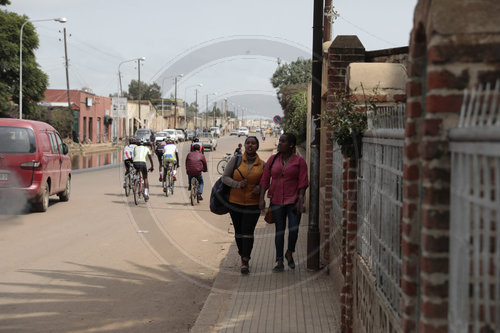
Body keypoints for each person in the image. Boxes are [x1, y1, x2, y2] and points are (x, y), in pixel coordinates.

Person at [259, 133, 308, 272]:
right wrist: (261, 198)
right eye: (279, 141)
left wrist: (300, 199)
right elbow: (265, 179)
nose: (279, 143)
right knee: (279, 231)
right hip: (276, 201)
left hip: (293, 201)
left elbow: (303, 182)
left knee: (294, 229)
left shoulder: (299, 161)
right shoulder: (273, 160)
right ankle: (279, 260)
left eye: (283, 141)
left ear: (291, 145)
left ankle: (289, 252)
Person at [222, 136, 264, 274]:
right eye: (248, 143)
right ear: (245, 146)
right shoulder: (236, 160)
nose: (250, 145)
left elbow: (265, 182)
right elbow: (225, 178)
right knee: (239, 232)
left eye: (253, 143)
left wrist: (260, 188)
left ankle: (245, 260)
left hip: (253, 204)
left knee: (248, 232)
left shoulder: (262, 165)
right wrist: (237, 184)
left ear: (257, 146)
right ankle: (242, 253)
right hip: (235, 203)